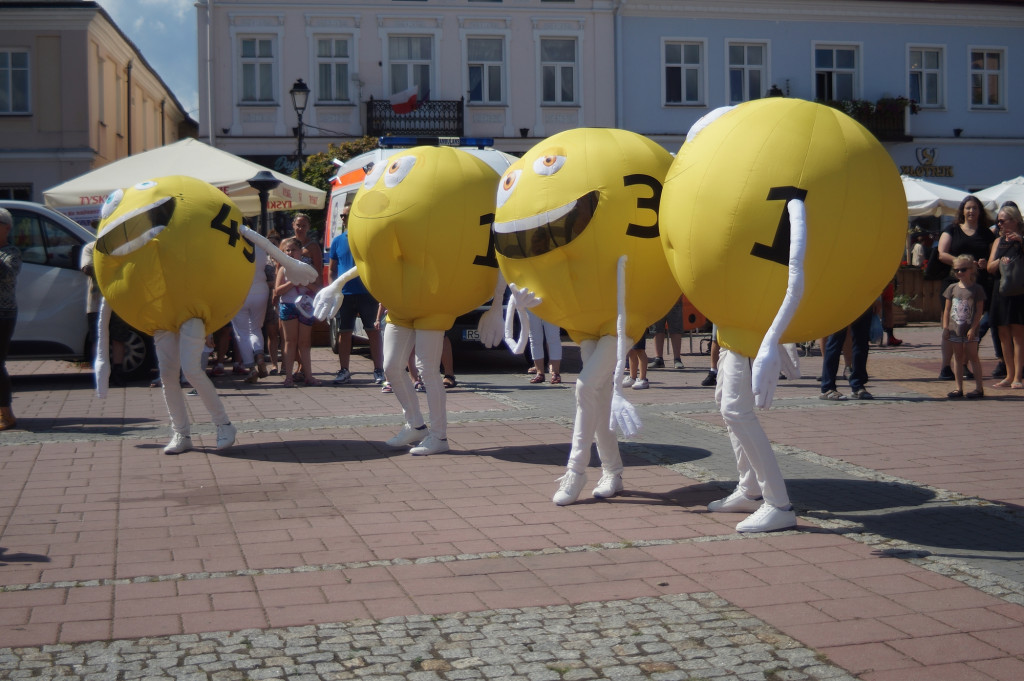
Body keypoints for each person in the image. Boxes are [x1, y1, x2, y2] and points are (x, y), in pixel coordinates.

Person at [936, 195, 995, 379]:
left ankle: (963, 365)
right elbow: (941, 253)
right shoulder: (952, 229)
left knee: (972, 326)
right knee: (951, 326)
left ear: (980, 212)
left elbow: (993, 257)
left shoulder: (986, 233)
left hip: (977, 285)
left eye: (975, 208)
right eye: (968, 208)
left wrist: (985, 263)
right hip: (954, 284)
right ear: (962, 210)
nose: (971, 211)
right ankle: (946, 367)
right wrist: (963, 263)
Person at [327, 206, 383, 386]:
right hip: (345, 295)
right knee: (344, 333)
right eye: (342, 215)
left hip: (367, 292)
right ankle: (344, 370)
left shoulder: (366, 237)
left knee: (372, 332)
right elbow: (332, 269)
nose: (344, 218)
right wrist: (332, 289)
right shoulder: (337, 241)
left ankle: (379, 370)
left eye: (347, 215)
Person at [80, 240, 129, 386]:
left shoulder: (122, 247)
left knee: (119, 338)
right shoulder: (90, 248)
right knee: (98, 340)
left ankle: (118, 373)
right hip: (96, 303)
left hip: (118, 300)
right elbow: (86, 268)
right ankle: (99, 375)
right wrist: (112, 267)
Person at [986, 204, 1024, 389]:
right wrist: (1000, 262)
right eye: (998, 221)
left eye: (1003, 220)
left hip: (1018, 291)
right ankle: (1008, 375)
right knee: (1002, 333)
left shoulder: (1022, 240)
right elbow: (989, 268)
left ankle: (1018, 376)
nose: (999, 224)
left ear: (1015, 220)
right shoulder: (997, 242)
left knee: (1018, 334)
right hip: (1000, 290)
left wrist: (1022, 241)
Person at [276, 237, 319, 387]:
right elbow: (278, 291)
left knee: (305, 342)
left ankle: (309, 376)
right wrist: (292, 282)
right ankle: (288, 377)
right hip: (288, 305)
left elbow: (318, 288)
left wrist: (305, 283)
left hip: (305, 306)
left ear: (300, 251)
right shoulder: (283, 269)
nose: (290, 253)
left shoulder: (307, 268)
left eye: (293, 250)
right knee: (289, 341)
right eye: (287, 250)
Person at [943, 254, 986, 399]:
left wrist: (973, 328)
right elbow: (947, 309)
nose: (959, 273)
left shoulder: (976, 289)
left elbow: (979, 311)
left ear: (971, 270)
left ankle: (979, 388)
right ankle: (958, 387)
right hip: (955, 328)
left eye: (963, 269)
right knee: (958, 357)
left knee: (973, 356)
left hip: (970, 329)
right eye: (956, 270)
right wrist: (945, 328)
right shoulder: (952, 288)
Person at [230, 231, 270, 384]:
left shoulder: (231, 245)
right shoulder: (260, 245)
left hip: (240, 291)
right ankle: (259, 354)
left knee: (242, 333)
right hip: (260, 289)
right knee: (256, 328)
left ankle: (251, 368)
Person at [820, 305, 875, 401]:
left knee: (861, 341)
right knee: (835, 340)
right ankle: (827, 387)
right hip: (842, 299)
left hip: (863, 298)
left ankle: (858, 385)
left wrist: (876, 298)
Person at [0, 208, 20, 430]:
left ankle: (6, 413)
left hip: (3, 315)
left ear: (6, 228)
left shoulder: (11, 252)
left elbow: (7, 274)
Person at [526, 308, 562, 384]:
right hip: (531, 302)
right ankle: (540, 373)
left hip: (551, 302)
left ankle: (556, 373)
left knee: (553, 337)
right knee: (535, 338)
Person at [649, 296, 684, 369]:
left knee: (676, 328)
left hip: (673, 298)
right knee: (657, 328)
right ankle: (658, 359)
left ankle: (677, 359)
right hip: (656, 299)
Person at [879, 277, 902, 346]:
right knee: (875, 308)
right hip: (875, 280)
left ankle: (890, 336)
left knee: (888, 307)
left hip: (887, 280)